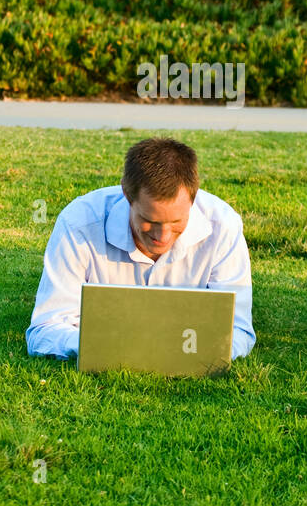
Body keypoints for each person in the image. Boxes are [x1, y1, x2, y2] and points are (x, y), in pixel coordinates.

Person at [26, 137, 255, 361]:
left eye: (176, 222)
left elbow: (238, 329)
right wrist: (99, 345)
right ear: (127, 194)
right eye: (150, 221)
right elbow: (45, 328)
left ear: (193, 200)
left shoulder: (223, 226)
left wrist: (199, 351)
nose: (162, 236)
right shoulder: (79, 223)